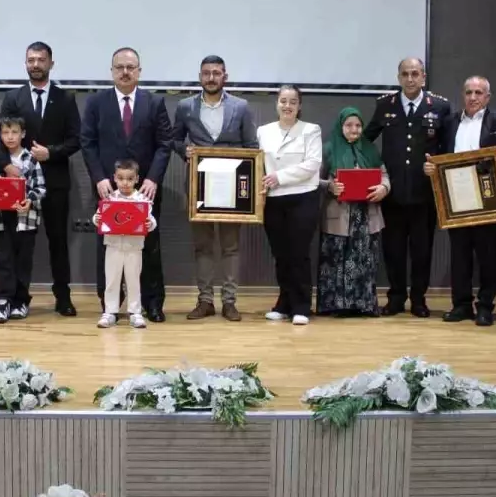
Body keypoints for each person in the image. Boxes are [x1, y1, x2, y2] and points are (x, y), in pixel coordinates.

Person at [80, 47, 173, 322]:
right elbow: (87, 143)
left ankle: (152, 303)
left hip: (145, 191)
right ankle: (110, 305)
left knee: (150, 246)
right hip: (109, 189)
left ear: (139, 71)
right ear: (111, 71)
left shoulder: (154, 103)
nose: (125, 72)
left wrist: (153, 178)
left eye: (130, 67)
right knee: (108, 249)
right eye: (119, 67)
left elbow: (165, 144)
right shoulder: (96, 103)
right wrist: (98, 177)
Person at [425, 77, 496, 326]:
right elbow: (440, 157)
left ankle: (486, 306)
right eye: (469, 92)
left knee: (488, 256)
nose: (473, 97)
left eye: (479, 92)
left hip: (490, 199)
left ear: (487, 97)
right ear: (462, 95)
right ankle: (461, 305)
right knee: (460, 255)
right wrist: (431, 167)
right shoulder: (450, 122)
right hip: (456, 202)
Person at [170, 55, 258, 321]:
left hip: (233, 191)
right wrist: (184, 150)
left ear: (225, 77)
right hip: (200, 188)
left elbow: (252, 147)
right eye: (206, 73)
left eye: (216, 73)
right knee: (203, 247)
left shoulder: (241, 107)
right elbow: (174, 139)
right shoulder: (185, 107)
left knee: (231, 247)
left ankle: (229, 302)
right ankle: (205, 300)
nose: (211, 78)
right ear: (200, 77)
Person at [364, 57, 451, 318]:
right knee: (393, 251)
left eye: (415, 73)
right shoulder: (385, 106)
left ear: (424, 76)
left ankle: (419, 299)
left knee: (422, 252)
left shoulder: (439, 106)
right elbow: (366, 141)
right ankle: (396, 297)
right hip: (393, 195)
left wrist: (438, 167)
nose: (410, 78)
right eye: (405, 74)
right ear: (398, 77)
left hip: (425, 195)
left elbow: (448, 148)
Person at [0, 42, 81, 317]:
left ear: (51, 63)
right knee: (19, 245)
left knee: (58, 242)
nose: (36, 64)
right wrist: (5, 167)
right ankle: (17, 298)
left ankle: (63, 297)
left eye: (41, 59)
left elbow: (76, 140)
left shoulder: (66, 98)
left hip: (56, 181)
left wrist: (51, 153)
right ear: (25, 63)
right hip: (20, 184)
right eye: (31, 59)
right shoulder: (13, 97)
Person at [257, 85, 322, 325]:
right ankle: (283, 304)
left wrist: (279, 177)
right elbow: (257, 164)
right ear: (277, 104)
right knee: (281, 255)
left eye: (292, 102)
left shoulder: (311, 130)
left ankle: (302, 306)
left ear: (299, 106)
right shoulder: (263, 131)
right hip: (273, 199)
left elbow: (313, 164)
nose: (287, 106)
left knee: (299, 254)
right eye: (283, 101)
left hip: (303, 197)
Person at [317, 107, 390, 317]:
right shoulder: (329, 149)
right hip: (338, 215)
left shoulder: (370, 149)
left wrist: (383, 188)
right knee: (336, 260)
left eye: (358, 125)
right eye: (349, 125)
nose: (354, 129)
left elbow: (385, 176)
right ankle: (336, 305)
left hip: (367, 215)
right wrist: (330, 186)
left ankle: (363, 305)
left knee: (365, 261)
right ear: (341, 127)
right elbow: (314, 179)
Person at [0, 116, 47, 324]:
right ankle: (3, 300)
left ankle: (20, 301)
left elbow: (41, 188)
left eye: (14, 132)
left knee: (23, 262)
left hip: (26, 220)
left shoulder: (31, 158)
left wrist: (29, 200)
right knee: (4, 261)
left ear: (23, 134)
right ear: (0, 136)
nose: (10, 137)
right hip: (3, 219)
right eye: (5, 133)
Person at [93, 159, 157, 329]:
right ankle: (110, 311)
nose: (125, 183)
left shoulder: (142, 200)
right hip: (113, 246)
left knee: (133, 280)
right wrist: (96, 219)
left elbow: (150, 220)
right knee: (112, 280)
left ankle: (135, 312)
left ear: (137, 179)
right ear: (114, 178)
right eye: (121, 178)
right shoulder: (110, 198)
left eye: (129, 179)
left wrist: (150, 224)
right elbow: (99, 217)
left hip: (134, 248)